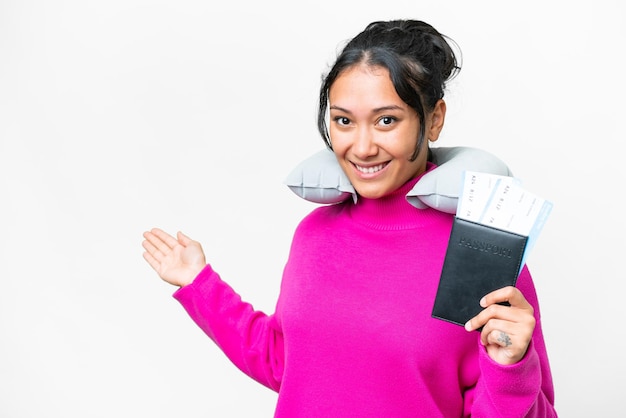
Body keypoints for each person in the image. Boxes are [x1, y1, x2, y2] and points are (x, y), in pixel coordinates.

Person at [142, 19, 557, 417]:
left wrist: (511, 367)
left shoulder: (481, 253)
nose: (361, 147)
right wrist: (200, 285)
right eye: (344, 121)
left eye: (386, 121)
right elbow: (283, 363)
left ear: (433, 119)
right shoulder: (314, 234)